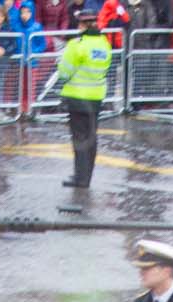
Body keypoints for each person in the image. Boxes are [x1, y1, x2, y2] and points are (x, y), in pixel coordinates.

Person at [53, 1, 110, 187]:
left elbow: (64, 72)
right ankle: (87, 177)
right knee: (92, 139)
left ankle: (80, 178)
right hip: (96, 98)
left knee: (79, 139)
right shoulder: (104, 44)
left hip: (77, 97)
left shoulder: (76, 45)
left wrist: (60, 63)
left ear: (83, 25)